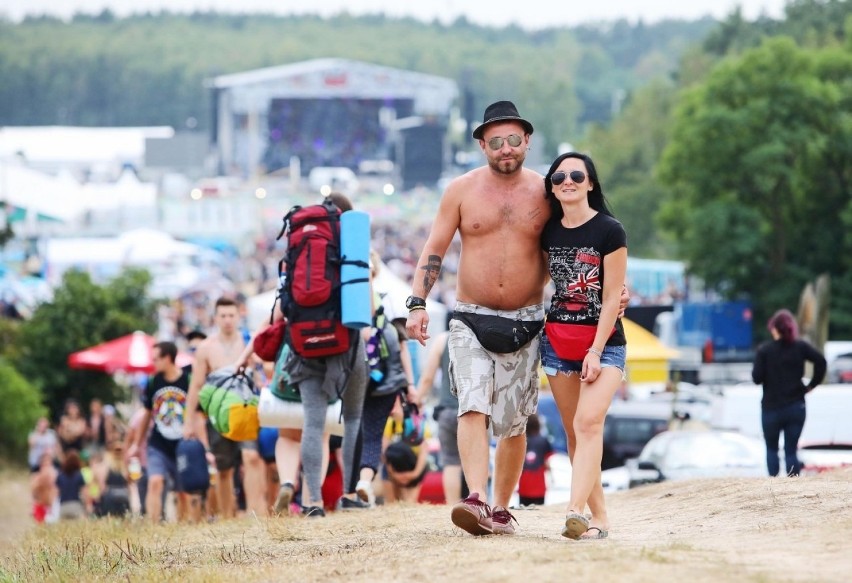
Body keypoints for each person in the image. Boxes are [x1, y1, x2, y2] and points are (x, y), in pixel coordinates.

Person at [407, 102, 632, 536]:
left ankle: (501, 509)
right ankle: (475, 496)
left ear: (527, 141)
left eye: (514, 140)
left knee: (513, 422)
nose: (506, 148)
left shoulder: (546, 193)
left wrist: (617, 290)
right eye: (496, 141)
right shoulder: (460, 190)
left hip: (528, 320)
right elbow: (434, 247)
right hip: (470, 315)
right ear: (482, 145)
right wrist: (417, 302)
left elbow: (585, 241)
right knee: (470, 404)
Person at [540, 151, 628, 540]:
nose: (567, 181)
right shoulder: (548, 232)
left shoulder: (610, 231)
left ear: (590, 182)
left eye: (576, 175)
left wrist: (594, 350)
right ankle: (601, 518)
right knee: (576, 434)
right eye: (559, 178)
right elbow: (542, 283)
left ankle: (574, 510)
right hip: (557, 342)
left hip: (604, 345)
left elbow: (612, 298)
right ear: (552, 188)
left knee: (588, 422)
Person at [184, 296, 251, 520]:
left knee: (252, 459)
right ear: (216, 318)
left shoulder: (248, 341)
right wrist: (188, 422)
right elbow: (196, 385)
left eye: (231, 315)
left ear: (238, 316)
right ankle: (227, 516)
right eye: (223, 315)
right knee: (224, 468)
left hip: (246, 409)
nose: (228, 320)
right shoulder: (205, 348)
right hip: (218, 414)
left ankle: (254, 513)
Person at [129, 341, 202, 523]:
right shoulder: (153, 381)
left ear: (168, 358)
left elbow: (198, 414)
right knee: (155, 482)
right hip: (158, 444)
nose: (153, 363)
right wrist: (137, 444)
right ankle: (153, 525)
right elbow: (146, 415)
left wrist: (202, 444)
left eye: (156, 359)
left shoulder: (187, 380)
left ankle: (184, 526)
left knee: (183, 490)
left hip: (182, 445)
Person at [752, 309, 826, 477]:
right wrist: (811, 385)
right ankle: (793, 487)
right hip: (795, 406)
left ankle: (774, 486)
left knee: (771, 448)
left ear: (774, 329)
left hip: (771, 408)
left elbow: (756, 378)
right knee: (791, 450)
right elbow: (821, 361)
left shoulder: (765, 350)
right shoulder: (800, 347)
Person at [414, 329, 466, 504]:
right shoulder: (478, 334)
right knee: (477, 461)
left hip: (446, 411)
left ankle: (452, 507)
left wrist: (417, 400)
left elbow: (428, 378)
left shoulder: (442, 339)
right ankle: (481, 503)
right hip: (473, 412)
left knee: (451, 462)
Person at [517, 414, 552, 507]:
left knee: (523, 510)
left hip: (524, 483)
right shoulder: (544, 440)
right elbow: (547, 460)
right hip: (539, 483)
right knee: (539, 509)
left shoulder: (520, 441)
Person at [56, 450, 88, 520]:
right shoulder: (79, 475)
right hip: (75, 505)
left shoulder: (60, 475)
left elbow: (57, 492)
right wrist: (86, 506)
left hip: (63, 506)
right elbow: (84, 492)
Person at [31, 452, 58, 524]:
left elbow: (57, 491)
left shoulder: (56, 475)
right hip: (40, 505)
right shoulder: (36, 477)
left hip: (52, 506)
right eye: (44, 463)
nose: (46, 465)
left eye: (48, 463)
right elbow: (33, 493)